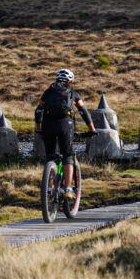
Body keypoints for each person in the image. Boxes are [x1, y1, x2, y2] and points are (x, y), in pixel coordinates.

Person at [35, 69, 96, 199]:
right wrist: (92, 129)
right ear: (70, 81)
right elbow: (83, 111)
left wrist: (39, 128)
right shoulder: (72, 93)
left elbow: (38, 111)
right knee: (67, 155)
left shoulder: (47, 92)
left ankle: (49, 188)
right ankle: (68, 188)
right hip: (64, 124)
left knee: (50, 156)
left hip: (47, 125)